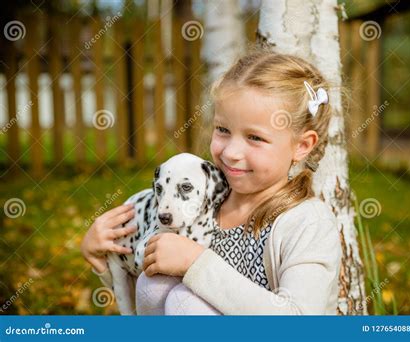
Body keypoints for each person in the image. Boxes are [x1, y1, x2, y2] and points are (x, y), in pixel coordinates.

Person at [81, 50, 341, 315]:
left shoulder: (308, 223)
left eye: (255, 138)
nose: (231, 152)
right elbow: (146, 298)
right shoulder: (198, 200)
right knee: (155, 284)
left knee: (185, 302)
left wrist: (196, 263)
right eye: (223, 130)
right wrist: (102, 258)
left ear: (302, 146)